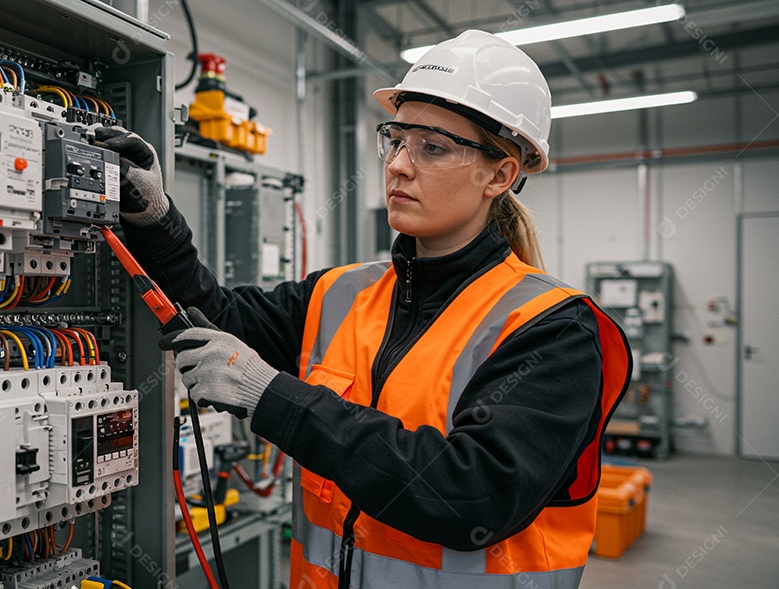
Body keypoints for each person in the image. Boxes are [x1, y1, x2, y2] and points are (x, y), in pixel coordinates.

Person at [95, 29, 630, 589]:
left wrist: (271, 395)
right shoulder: (339, 293)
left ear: (499, 174)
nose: (398, 165)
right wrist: (155, 218)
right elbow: (216, 317)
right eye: (396, 140)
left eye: (433, 147)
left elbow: (470, 496)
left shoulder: (554, 328)